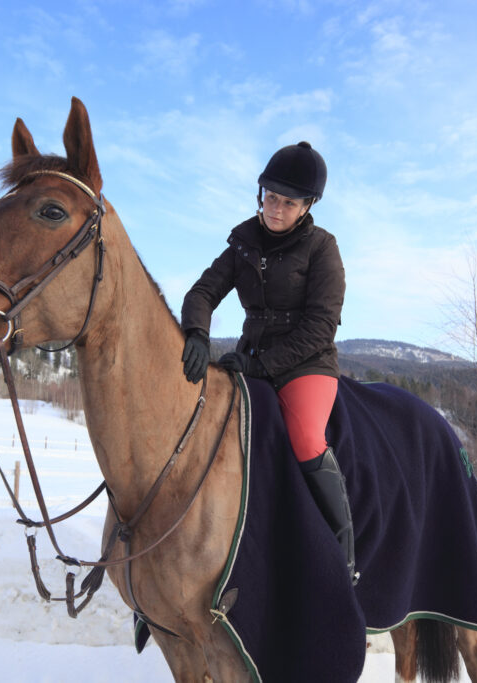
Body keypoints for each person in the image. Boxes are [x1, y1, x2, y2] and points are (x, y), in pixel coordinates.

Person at [180, 141, 355, 582]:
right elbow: (202, 292)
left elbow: (321, 326)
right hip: (250, 359)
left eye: (288, 202)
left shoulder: (322, 248)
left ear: (307, 205)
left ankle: (342, 552)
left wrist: (262, 365)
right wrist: (197, 334)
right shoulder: (243, 242)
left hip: (306, 365)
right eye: (270, 198)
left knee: (303, 437)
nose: (276, 209)